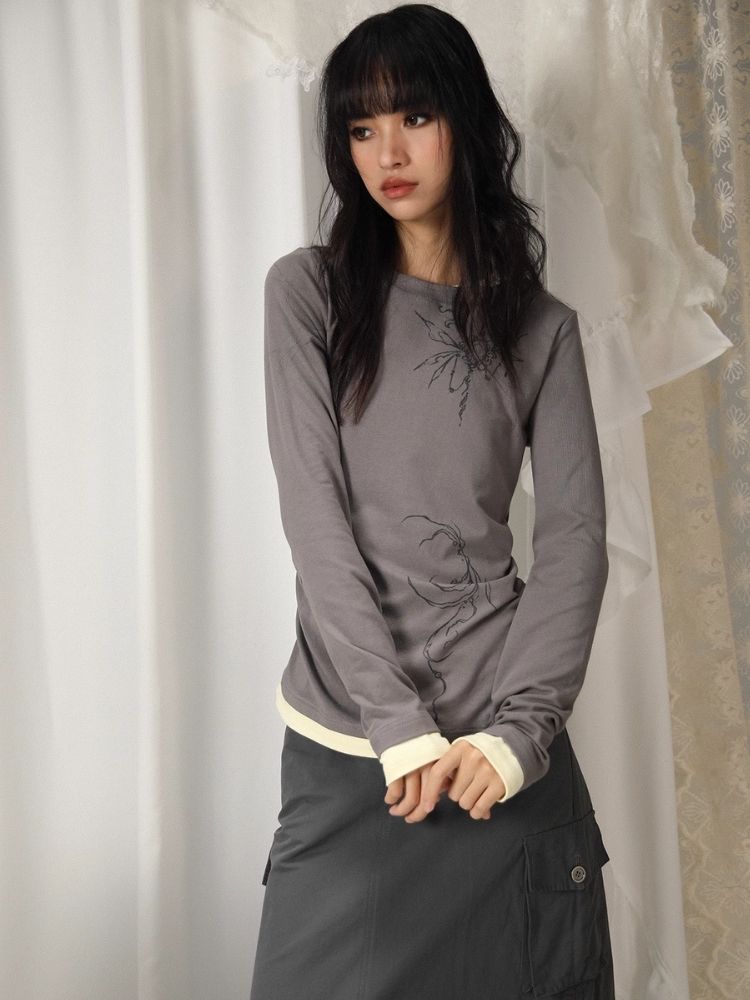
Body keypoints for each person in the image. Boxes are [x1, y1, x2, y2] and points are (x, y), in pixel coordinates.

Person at [249, 4, 616, 998]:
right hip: (351, 749)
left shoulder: (542, 329)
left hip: (499, 761)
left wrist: (519, 735)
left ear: (465, 121)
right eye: (361, 128)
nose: (388, 153)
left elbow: (577, 539)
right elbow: (315, 518)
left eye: (414, 116)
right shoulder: (310, 294)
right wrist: (396, 723)